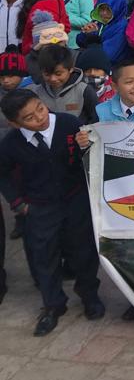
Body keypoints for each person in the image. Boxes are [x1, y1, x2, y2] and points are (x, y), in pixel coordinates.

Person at [0, 90, 105, 335]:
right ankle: (53, 304)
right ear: (14, 124)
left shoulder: (68, 123)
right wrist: (18, 203)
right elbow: (3, 174)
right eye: (29, 117)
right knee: (43, 257)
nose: (39, 117)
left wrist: (86, 146)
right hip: (39, 206)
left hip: (75, 200)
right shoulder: (11, 144)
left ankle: (89, 295)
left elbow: (91, 155)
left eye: (40, 108)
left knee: (84, 251)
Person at [32, 44, 98, 123]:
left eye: (58, 74)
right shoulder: (36, 92)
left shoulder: (84, 90)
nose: (53, 79)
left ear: (70, 69)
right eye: (47, 74)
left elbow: (95, 118)